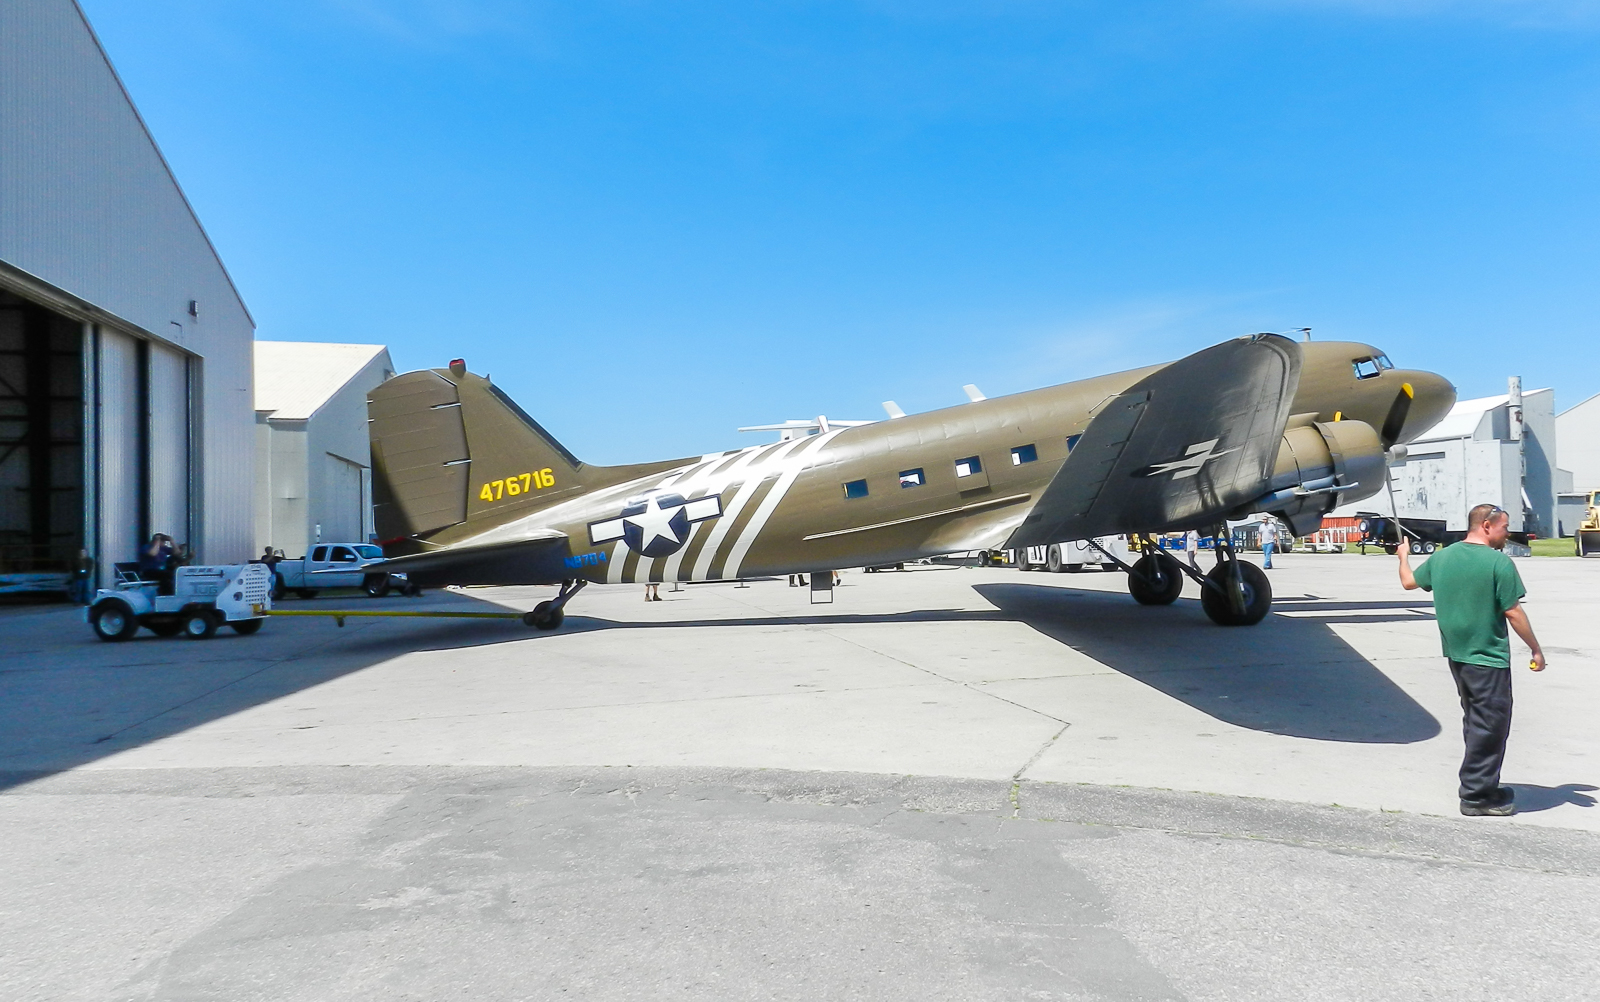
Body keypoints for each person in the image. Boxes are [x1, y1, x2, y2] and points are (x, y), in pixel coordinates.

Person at [1398, 503, 1546, 817]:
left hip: (1458, 657)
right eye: (1504, 527)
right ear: (1487, 526)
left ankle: (1484, 785)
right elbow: (1513, 611)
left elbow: (1408, 582)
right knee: (1491, 725)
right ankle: (1477, 796)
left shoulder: (1442, 557)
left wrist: (1403, 557)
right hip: (1487, 657)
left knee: (1477, 720)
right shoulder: (1498, 562)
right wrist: (1536, 648)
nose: (1507, 533)